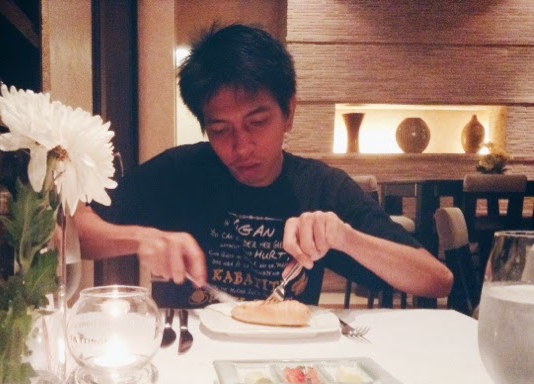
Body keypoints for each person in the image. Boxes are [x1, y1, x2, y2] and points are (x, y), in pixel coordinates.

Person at [75, 23, 453, 307]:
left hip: (286, 364)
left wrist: (345, 238)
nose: (241, 147)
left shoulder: (322, 188)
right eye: (220, 130)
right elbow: (71, 233)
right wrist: (140, 238)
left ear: (289, 113)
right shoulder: (181, 172)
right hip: (192, 355)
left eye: (257, 122)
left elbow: (437, 280)